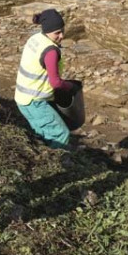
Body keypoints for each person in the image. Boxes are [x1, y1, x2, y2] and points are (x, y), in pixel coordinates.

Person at [14, 8, 75, 149]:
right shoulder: (51, 51)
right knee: (61, 134)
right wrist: (71, 87)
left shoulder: (35, 38)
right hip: (35, 102)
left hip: (22, 99)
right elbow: (56, 82)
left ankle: (47, 154)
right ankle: (62, 162)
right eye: (57, 33)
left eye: (62, 31)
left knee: (43, 133)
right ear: (47, 31)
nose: (62, 36)